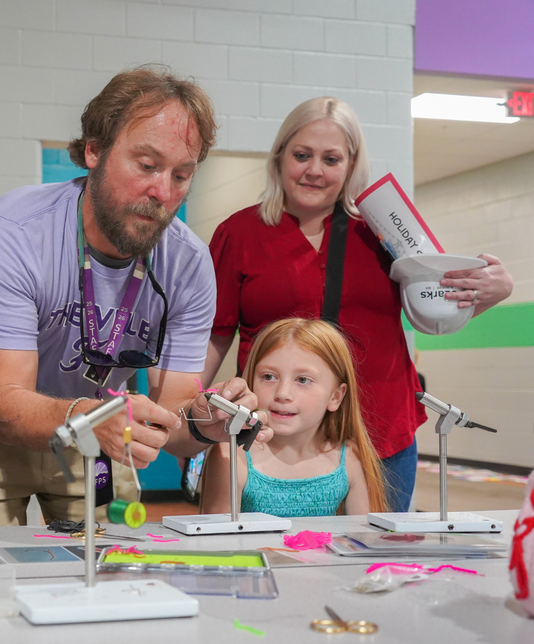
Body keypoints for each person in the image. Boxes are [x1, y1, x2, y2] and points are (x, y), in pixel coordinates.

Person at [0, 65, 271, 527]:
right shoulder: (14, 233)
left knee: (114, 559)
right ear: (94, 150)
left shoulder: (188, 264)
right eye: (146, 165)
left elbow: (173, 422)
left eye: (181, 175)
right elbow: (5, 404)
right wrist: (93, 417)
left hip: (97, 426)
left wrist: (206, 422)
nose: (162, 192)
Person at [204, 97, 513, 512]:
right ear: (279, 158)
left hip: (379, 432)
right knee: (265, 546)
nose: (315, 170)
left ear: (351, 166)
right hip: (274, 439)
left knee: (373, 549)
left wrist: (487, 293)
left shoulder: (381, 233)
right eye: (302, 155)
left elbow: (433, 313)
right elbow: (215, 334)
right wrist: (191, 419)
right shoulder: (240, 233)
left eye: (331, 159)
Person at [201, 318, 386, 516]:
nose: (283, 393)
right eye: (269, 377)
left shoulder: (349, 457)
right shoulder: (230, 455)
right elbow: (217, 534)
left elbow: (363, 533)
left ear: (335, 397)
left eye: (303, 380)